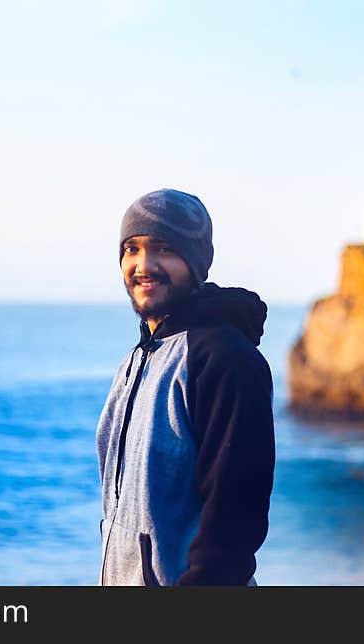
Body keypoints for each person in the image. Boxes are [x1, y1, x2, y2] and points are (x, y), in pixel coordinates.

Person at [96, 188, 275, 586]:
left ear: (195, 262)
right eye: (131, 249)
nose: (143, 265)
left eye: (163, 249)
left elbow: (233, 520)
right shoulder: (139, 359)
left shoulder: (225, 358)